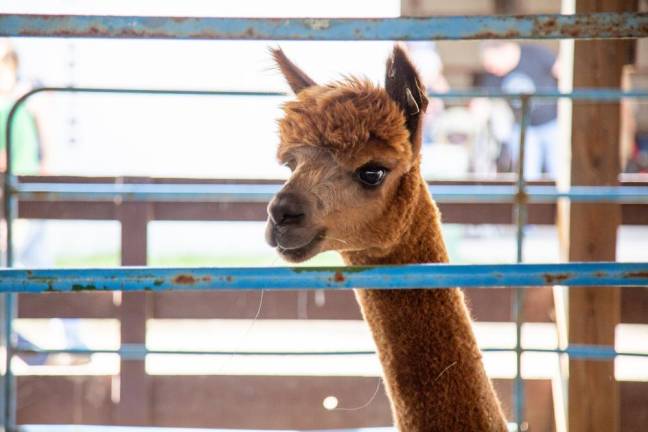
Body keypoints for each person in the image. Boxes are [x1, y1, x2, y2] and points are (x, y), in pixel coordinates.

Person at [477, 41, 560, 179]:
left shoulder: (535, 53)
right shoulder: (494, 76)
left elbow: (563, 71)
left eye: (492, 64)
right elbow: (483, 99)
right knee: (526, 176)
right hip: (522, 128)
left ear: (502, 52)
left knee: (558, 171)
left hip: (552, 123)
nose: (491, 69)